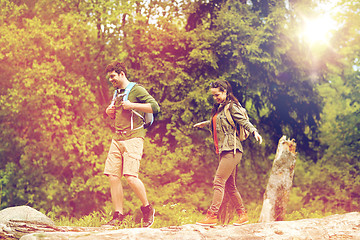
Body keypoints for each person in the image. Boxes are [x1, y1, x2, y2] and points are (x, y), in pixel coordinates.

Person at [193, 80, 263, 226]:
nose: (215, 97)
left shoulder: (231, 107)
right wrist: (205, 124)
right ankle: (243, 215)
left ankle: (212, 216)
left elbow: (244, 122)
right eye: (213, 95)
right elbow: (219, 123)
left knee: (218, 181)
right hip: (225, 150)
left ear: (225, 91)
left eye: (217, 94)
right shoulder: (220, 108)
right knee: (230, 186)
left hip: (233, 149)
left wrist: (254, 131)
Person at [103, 61, 160, 228]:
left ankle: (147, 209)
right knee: (113, 177)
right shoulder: (116, 93)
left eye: (113, 76)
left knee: (130, 177)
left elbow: (155, 107)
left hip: (133, 138)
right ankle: (118, 215)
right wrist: (109, 113)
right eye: (109, 77)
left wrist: (132, 105)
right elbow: (119, 115)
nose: (111, 79)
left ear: (122, 74)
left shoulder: (137, 89)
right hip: (117, 138)